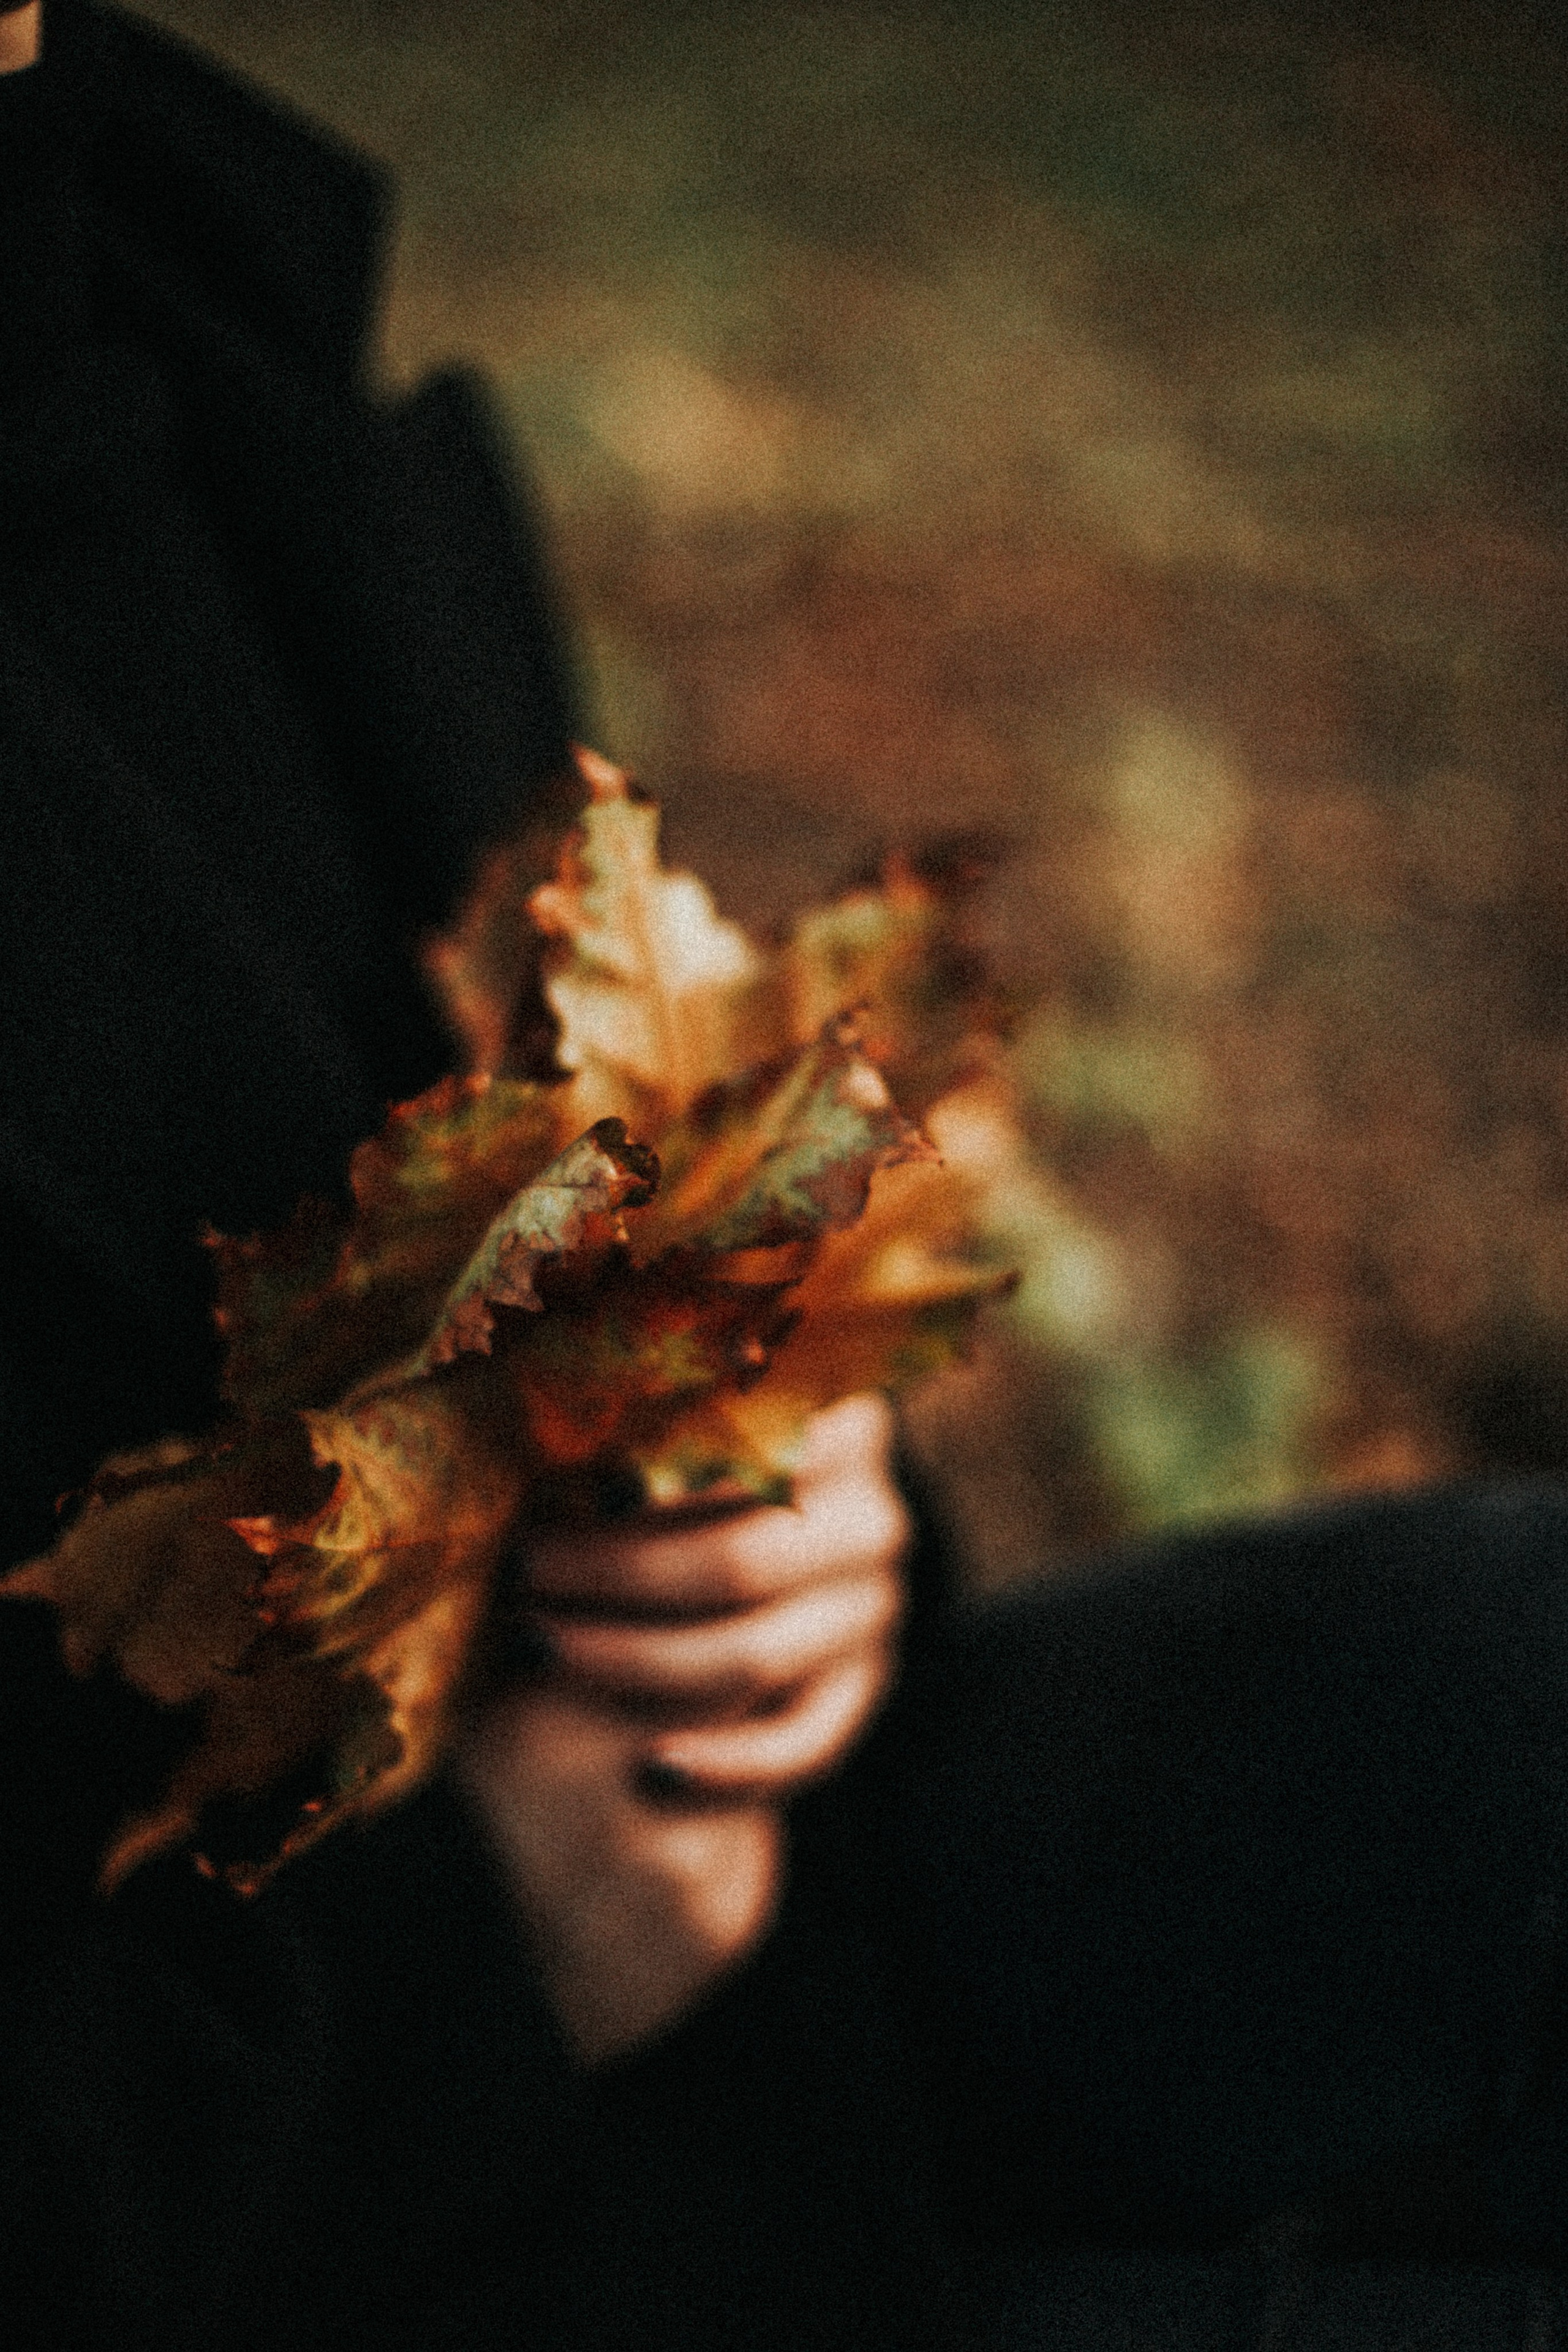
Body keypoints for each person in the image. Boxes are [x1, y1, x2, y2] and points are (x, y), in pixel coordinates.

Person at [4, 6, 1568, 2347]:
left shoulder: (151, 284)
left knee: (1511, 1680)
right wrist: (460, 1980)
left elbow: (539, 1178)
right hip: (349, 2206)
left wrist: (773, 1515)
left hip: (777, 1967)